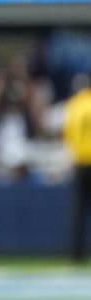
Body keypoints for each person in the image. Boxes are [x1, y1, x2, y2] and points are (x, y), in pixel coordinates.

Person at [64, 73, 91, 262]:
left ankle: (76, 254)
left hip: (80, 162)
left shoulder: (74, 105)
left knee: (78, 211)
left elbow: (69, 134)